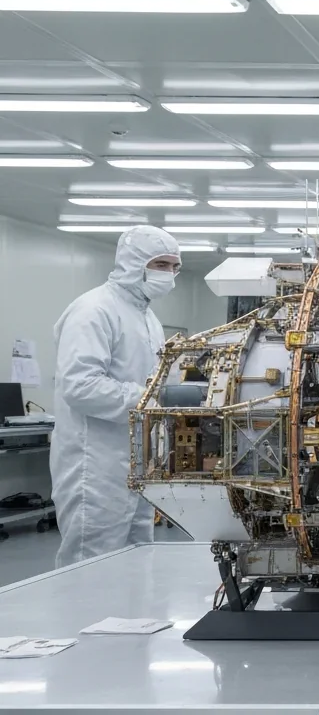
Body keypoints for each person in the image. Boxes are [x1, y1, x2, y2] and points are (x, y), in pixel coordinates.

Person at [51, 226, 181, 567]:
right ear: (134, 262)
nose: (168, 274)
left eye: (173, 267)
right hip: (94, 465)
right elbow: (80, 386)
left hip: (136, 462)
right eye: (161, 264)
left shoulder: (147, 317)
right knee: (93, 562)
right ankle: (79, 622)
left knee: (137, 558)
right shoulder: (94, 310)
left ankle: (133, 622)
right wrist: (150, 399)